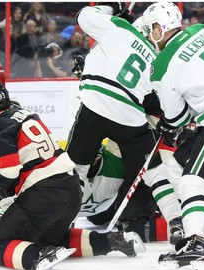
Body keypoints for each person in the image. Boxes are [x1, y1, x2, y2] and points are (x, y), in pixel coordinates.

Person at [0, 80, 145, 270]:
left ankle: (41, 254)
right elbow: (11, 175)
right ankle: (112, 241)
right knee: (53, 237)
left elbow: (8, 174)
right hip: (71, 190)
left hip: (43, 194)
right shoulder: (25, 114)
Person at [66, 2, 183, 244]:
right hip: (129, 115)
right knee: (154, 170)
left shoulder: (118, 28)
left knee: (75, 167)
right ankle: (177, 221)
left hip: (95, 107)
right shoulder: (155, 58)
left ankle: (63, 221)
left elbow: (83, 16)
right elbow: (159, 102)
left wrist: (110, 8)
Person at [142, 2, 204, 270]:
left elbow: (176, 118)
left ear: (160, 28)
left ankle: (196, 242)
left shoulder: (161, 64)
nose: (151, 36)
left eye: (151, 30)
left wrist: (167, 123)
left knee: (193, 180)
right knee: (190, 156)